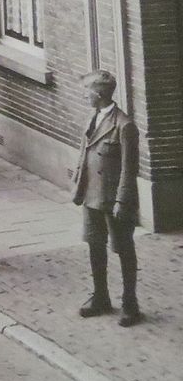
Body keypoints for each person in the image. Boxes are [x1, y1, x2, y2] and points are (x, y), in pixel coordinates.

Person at [71, 70, 141, 326]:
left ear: (99, 95)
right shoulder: (92, 118)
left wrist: (123, 201)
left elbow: (129, 169)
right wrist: (78, 184)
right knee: (94, 244)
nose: (84, 95)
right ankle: (101, 296)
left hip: (114, 199)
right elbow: (84, 153)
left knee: (123, 249)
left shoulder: (125, 125)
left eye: (87, 91)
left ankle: (130, 303)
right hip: (91, 195)